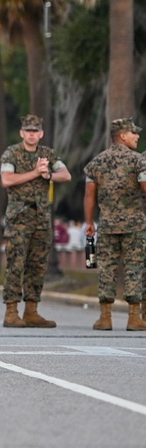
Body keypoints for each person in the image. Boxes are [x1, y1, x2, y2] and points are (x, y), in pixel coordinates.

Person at [0, 114, 72, 328]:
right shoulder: (12, 153)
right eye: (28, 131)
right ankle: (11, 311)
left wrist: (47, 174)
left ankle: (31, 310)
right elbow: (6, 180)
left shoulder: (48, 154)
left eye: (35, 131)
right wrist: (35, 172)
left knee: (38, 266)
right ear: (22, 133)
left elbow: (66, 175)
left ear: (41, 134)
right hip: (19, 218)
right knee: (16, 264)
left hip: (42, 218)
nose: (31, 134)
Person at [84, 117, 146, 332]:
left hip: (108, 225)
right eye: (134, 133)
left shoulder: (97, 162)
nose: (137, 136)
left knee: (107, 270)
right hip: (134, 226)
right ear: (123, 136)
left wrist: (90, 222)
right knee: (134, 268)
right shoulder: (139, 161)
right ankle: (134, 318)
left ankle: (105, 318)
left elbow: (89, 195)